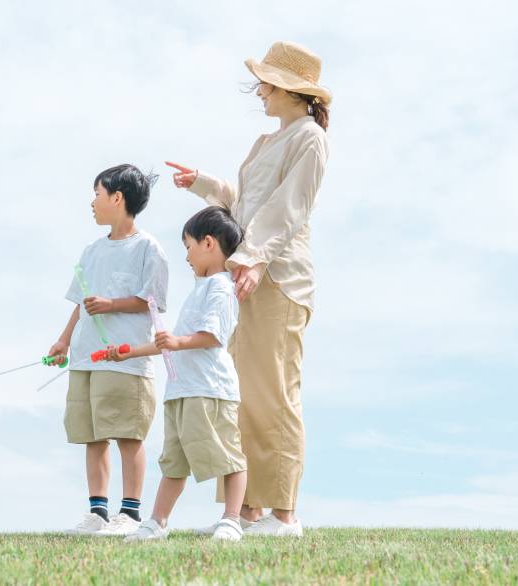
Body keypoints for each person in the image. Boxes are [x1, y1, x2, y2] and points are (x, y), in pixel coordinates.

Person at [166, 40, 332, 537]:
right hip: (248, 275)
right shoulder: (265, 143)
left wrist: (253, 257)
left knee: (274, 394)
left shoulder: (310, 138)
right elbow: (245, 202)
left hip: (278, 278)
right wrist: (203, 184)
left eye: (266, 85)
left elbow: (289, 207)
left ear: (291, 90)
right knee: (241, 395)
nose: (259, 92)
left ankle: (284, 515)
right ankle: (246, 511)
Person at [110, 206, 248, 542]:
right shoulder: (201, 289)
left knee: (228, 456)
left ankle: (232, 520)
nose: (186, 256)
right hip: (182, 391)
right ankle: (157, 522)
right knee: (174, 462)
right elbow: (172, 342)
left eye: (188, 247)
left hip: (209, 390)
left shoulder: (220, 288)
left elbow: (212, 336)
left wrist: (176, 341)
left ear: (208, 243)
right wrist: (130, 351)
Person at [48, 164, 169, 536]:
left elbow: (152, 301)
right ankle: (97, 512)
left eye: (97, 194)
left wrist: (112, 304)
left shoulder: (148, 248)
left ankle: (129, 513)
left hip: (124, 360)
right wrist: (63, 340)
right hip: (85, 357)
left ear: (117, 198)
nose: (92, 202)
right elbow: (81, 303)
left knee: (128, 435)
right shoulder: (92, 250)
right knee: (93, 435)